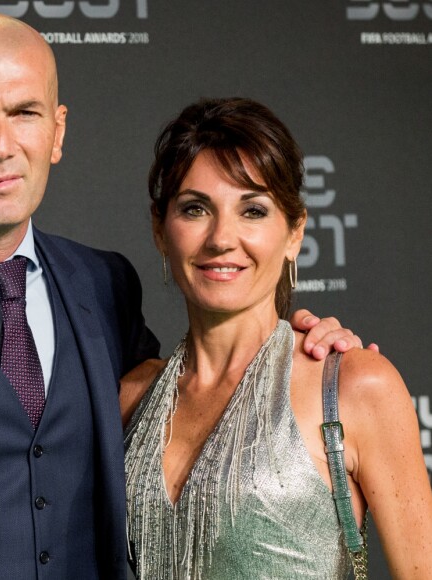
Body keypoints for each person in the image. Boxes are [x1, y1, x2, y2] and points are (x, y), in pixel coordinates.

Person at [0, 14, 366, 580]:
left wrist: (292, 348)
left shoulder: (102, 285)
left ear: (58, 131)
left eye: (24, 113)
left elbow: (205, 391)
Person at [121, 97, 432, 579]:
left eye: (253, 210)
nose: (222, 238)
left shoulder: (353, 387)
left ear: (294, 234)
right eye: (196, 208)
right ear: (161, 231)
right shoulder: (129, 399)